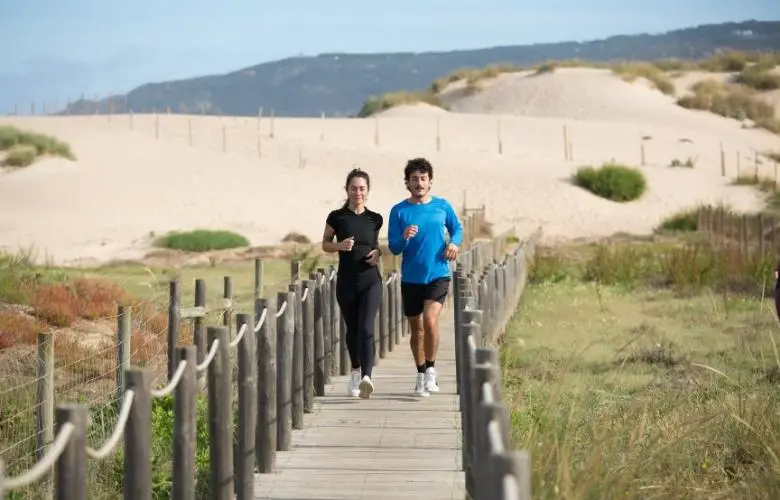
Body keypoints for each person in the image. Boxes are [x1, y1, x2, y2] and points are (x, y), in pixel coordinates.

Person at [388, 158, 463, 397]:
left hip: (438, 274)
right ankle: (420, 373)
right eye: (414, 179)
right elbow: (394, 247)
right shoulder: (399, 211)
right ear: (407, 183)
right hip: (411, 278)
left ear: (430, 181)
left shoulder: (442, 206)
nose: (419, 183)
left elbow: (457, 229)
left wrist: (455, 244)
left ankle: (431, 370)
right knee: (417, 330)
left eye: (423, 178)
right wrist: (404, 236)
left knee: (430, 322)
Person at [322, 168, 383, 399]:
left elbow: (375, 244)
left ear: (367, 191)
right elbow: (325, 244)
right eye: (354, 188)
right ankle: (356, 372)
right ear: (347, 189)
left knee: (366, 329)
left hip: (371, 281)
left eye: (362, 188)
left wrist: (377, 254)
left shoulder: (375, 218)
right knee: (353, 330)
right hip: (347, 282)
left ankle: (367, 377)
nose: (358, 192)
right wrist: (340, 246)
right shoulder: (337, 217)